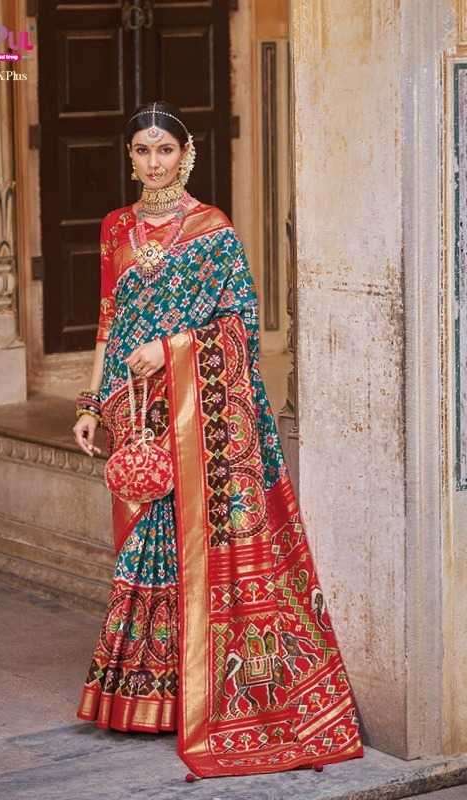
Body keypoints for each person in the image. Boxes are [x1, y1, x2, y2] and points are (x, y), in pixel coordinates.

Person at [73, 101, 363, 780]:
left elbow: (240, 327)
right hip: (135, 409)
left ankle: (201, 694)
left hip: (199, 415)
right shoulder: (115, 227)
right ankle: (145, 696)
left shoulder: (213, 230)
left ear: (187, 154)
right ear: (130, 158)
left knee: (192, 541)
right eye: (142, 150)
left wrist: (170, 348)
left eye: (164, 150)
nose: (153, 162)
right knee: (144, 545)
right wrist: (90, 404)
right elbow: (107, 322)